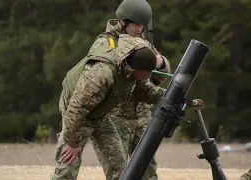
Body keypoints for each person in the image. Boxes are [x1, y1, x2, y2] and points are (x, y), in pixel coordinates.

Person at [50, 34, 166, 180]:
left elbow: (144, 92)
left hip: (100, 114)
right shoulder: (101, 73)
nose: (149, 75)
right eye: (147, 71)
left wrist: (167, 96)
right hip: (77, 114)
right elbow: (76, 108)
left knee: (119, 166)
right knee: (67, 166)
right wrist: (72, 143)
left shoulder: (135, 72)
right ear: (136, 67)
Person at [91, 0, 171, 179]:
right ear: (124, 21)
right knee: (118, 173)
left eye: (142, 25)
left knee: (148, 171)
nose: (139, 29)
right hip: (116, 117)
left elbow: (161, 74)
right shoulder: (107, 43)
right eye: (136, 24)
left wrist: (160, 63)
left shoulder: (142, 43)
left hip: (142, 116)